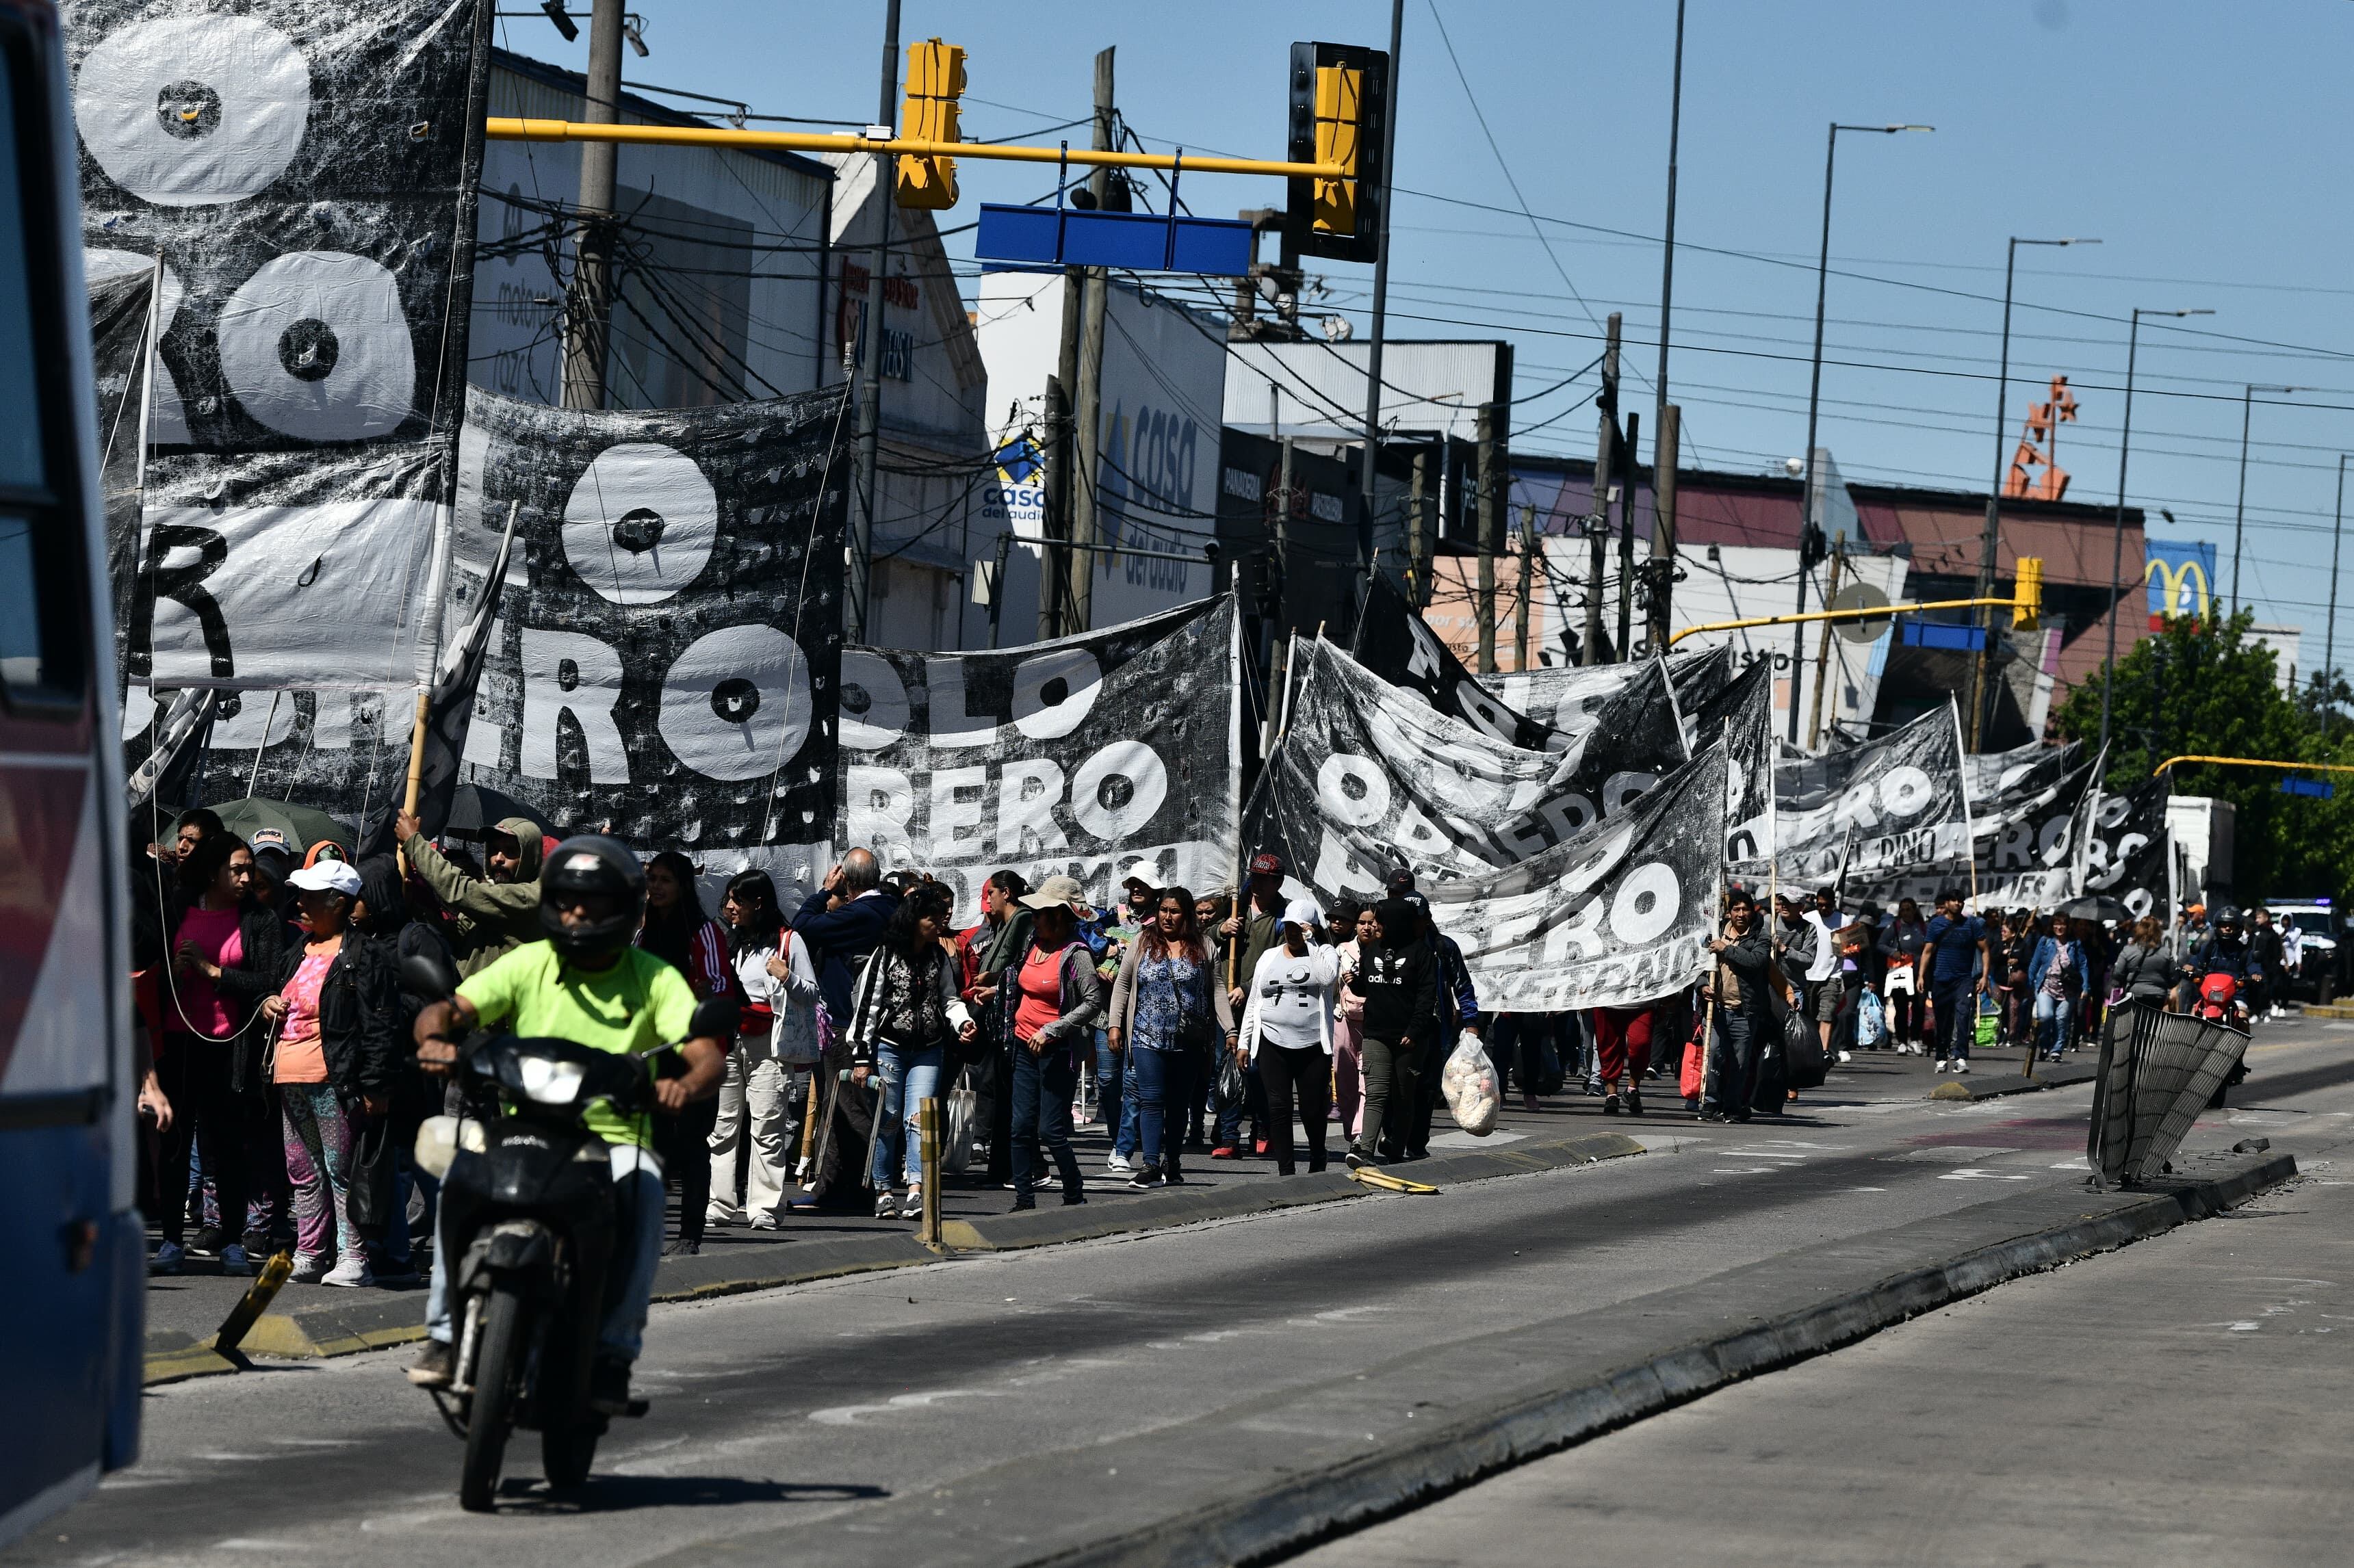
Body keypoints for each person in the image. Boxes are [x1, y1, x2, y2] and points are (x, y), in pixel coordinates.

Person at [406, 837, 726, 1411]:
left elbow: (705, 1051)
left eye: (594, 902)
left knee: (648, 1198)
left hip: (614, 1137)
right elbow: (452, 1008)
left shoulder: (654, 977)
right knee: (456, 1183)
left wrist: (681, 1083)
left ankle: (614, 1352)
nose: (578, 913)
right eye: (569, 900)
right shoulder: (529, 962)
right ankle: (445, 1335)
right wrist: (434, 1038)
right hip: (520, 1127)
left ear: (625, 907)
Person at [257, 858, 400, 1288]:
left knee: (341, 1170)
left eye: (311, 896)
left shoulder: (363, 954)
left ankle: (353, 1258)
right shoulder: (295, 952)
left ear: (338, 903)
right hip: (290, 1076)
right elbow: (276, 996)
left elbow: (380, 1023)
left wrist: (375, 1084)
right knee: (302, 1169)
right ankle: (311, 1252)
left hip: (334, 1079)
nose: (299, 903)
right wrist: (267, 1004)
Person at [151, 831, 287, 1275]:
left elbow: (268, 981)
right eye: (238, 869)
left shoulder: (260, 920)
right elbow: (153, 976)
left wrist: (213, 972)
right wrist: (174, 971)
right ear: (214, 872)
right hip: (178, 1040)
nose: (248, 877)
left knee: (227, 1144)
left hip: (231, 1044)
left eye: (250, 868)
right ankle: (173, 1239)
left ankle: (232, 1239)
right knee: (173, 1141)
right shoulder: (179, 908)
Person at [840, 885, 976, 1219]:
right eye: (934, 917)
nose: (941, 922)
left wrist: (962, 1022)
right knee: (887, 1121)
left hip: (929, 1050)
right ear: (915, 919)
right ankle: (884, 1190)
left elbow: (949, 998)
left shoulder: (939, 956)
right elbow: (867, 1008)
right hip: (889, 1049)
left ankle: (916, 1188)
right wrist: (861, 1057)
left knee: (920, 1121)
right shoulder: (885, 954)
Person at [637, 852, 736, 1255]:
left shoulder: (704, 933)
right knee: (654, 1144)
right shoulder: (643, 932)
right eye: (652, 879)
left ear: (683, 886)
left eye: (665, 880)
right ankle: (651, 1231)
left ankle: (689, 1234)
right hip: (651, 1053)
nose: (656, 887)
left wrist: (690, 1002)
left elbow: (719, 986)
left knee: (693, 1144)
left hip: (696, 1053)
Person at [1106, 885, 1234, 1188]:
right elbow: (1123, 985)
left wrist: (1230, 1030)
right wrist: (1114, 1024)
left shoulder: (1204, 946)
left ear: (1186, 915)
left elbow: (1216, 989)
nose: (1167, 917)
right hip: (1146, 1036)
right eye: (1163, 910)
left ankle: (1173, 1162)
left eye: (1174, 912)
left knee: (1178, 1104)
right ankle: (1150, 1164)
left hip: (1188, 1040)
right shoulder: (1142, 941)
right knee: (1151, 1100)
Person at [708, 869, 816, 1229]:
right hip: (728, 1040)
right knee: (722, 1126)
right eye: (729, 899)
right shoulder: (731, 941)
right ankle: (719, 1204)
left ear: (759, 903)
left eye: (738, 900)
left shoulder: (789, 941)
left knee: (767, 1126)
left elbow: (812, 995)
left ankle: (764, 1208)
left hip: (769, 1044)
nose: (730, 907)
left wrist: (787, 976)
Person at [1007, 876, 1105, 1209]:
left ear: (1060, 916)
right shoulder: (1033, 944)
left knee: (1050, 1130)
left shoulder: (1076, 954)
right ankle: (1024, 1199)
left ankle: (1074, 1193)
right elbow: (1022, 985)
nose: (1033, 919)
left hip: (1056, 1052)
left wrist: (1053, 1030)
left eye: (1040, 913)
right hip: (1023, 1046)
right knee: (1020, 1127)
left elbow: (1092, 1002)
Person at [1235, 898, 1341, 1175]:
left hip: (1313, 1044)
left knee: (1311, 1108)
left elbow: (1327, 979)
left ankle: (1318, 1155)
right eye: (1288, 927)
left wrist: (1312, 945)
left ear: (1311, 929)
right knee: (1278, 1106)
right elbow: (1255, 1001)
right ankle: (1286, 1171)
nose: (1291, 933)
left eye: (1298, 928)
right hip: (1272, 1041)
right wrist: (1245, 1042)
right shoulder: (1269, 956)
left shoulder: (1326, 952)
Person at [396, 808, 547, 976]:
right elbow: (461, 936)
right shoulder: (496, 903)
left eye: (510, 852)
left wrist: (414, 843)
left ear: (530, 858)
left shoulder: (531, 898)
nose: (498, 858)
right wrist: (420, 904)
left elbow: (461, 890)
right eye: (494, 850)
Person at [1347, 899, 1437, 1169]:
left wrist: (1415, 1030)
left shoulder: (1421, 954)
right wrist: (1357, 983)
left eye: (1380, 922)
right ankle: (1364, 1150)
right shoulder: (1371, 949)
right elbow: (1368, 988)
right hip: (1375, 1033)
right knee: (1376, 1093)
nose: (1375, 926)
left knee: (1402, 1094)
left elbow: (1426, 997)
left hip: (1408, 1038)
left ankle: (1396, 1146)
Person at [958, 870, 1031, 1187]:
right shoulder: (1002, 924)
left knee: (1005, 1091)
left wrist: (994, 982)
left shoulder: (1022, 920)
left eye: (992, 894)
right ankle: (1004, 1167)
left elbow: (1014, 966)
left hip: (1008, 1019)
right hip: (996, 1015)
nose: (987, 900)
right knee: (997, 1089)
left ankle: (1021, 1167)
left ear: (1007, 893)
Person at [1214, 853, 1286, 1158]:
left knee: (1257, 1071)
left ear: (1277, 882)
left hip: (1263, 1004)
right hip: (1225, 1001)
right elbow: (1203, 937)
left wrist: (1247, 988)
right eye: (1253, 876)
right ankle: (1229, 1137)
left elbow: (1284, 961)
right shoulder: (1235, 907)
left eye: (1263, 879)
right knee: (1226, 1070)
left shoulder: (1284, 917)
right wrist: (1222, 930)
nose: (1256, 883)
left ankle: (1263, 1126)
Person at [792, 848, 901, 1034]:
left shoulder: (856, 914)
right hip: (884, 1016)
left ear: (846, 880)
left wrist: (825, 890)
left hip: (847, 1021)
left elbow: (801, 926)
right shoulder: (894, 908)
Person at [1703, 889, 1775, 1122]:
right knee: (1714, 1055)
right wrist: (1702, 986)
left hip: (1744, 1011)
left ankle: (1733, 1106)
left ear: (1752, 912)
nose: (1741, 914)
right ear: (1729, 913)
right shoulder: (1715, 934)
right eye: (1736, 910)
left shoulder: (1761, 937)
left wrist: (1727, 950)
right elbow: (1698, 968)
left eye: (1745, 910)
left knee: (1740, 1062)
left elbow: (1756, 962)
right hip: (1717, 1011)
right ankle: (1711, 1101)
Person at [1924, 889, 1992, 1074]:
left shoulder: (1971, 924)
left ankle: (1961, 1057)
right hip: (1941, 979)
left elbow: (1985, 950)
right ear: (1947, 903)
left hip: (1963, 980)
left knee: (1963, 1017)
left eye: (1961, 901)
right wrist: (1921, 976)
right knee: (1943, 1021)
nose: (1958, 904)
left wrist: (1984, 977)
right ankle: (1941, 1057)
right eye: (1954, 901)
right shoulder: (1936, 925)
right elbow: (1927, 952)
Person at [2026, 911, 2084, 1062]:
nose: (2060, 927)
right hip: (2046, 985)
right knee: (2045, 1016)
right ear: (2052, 926)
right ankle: (2044, 1044)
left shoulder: (2075, 944)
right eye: (2056, 924)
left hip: (2068, 988)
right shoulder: (2045, 941)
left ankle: (2057, 1050)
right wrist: (2030, 981)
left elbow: (2083, 965)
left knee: (2062, 1019)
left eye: (2063, 924)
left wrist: (2086, 987)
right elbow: (2035, 962)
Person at [1878, 898, 1929, 1055]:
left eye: (1909, 909)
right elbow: (1880, 945)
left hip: (1920, 974)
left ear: (1914, 910)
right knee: (1901, 1008)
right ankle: (1901, 1041)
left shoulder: (1922, 927)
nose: (1906, 912)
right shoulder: (1895, 927)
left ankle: (1914, 1039)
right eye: (1903, 909)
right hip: (1901, 973)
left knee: (1919, 1007)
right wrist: (1893, 953)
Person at [2112, 915, 2176, 1007]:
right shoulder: (2166, 952)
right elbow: (2174, 976)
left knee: (2134, 1021)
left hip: (2134, 995)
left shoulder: (2128, 950)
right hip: (2158, 996)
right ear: (2158, 932)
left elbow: (2118, 973)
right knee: (2153, 1021)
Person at [2250, 908, 2286, 1021]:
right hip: (2255, 965)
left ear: (2266, 918)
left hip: (2268, 967)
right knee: (2256, 990)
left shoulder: (2272, 934)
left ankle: (2265, 1011)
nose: (2257, 920)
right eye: (2256, 917)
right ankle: (2255, 1012)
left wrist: (2274, 965)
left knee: (2266, 990)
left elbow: (2276, 952)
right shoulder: (2256, 932)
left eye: (2259, 917)